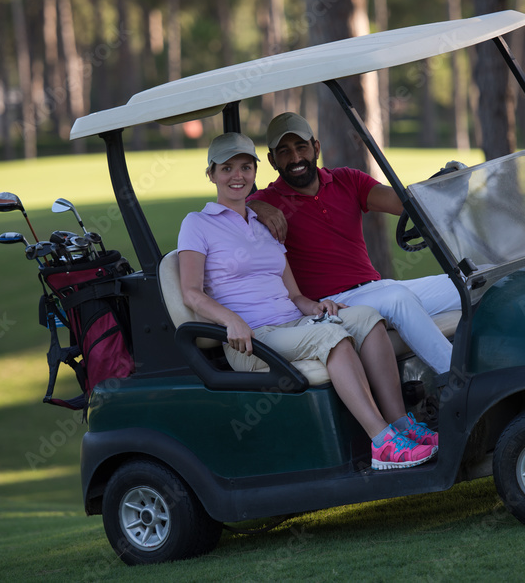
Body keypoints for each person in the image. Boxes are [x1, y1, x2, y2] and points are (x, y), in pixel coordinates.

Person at [177, 131, 438, 470]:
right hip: (253, 338)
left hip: (293, 323)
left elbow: (295, 294)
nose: (237, 176)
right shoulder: (197, 224)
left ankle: (401, 424)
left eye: (245, 167)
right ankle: (382, 442)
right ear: (211, 174)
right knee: (332, 337)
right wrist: (229, 319)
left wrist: (316, 308)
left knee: (366, 318)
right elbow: (191, 292)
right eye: (227, 168)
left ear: (255, 172)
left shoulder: (265, 224)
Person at [247, 112, 460, 379]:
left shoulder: (347, 179)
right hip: (333, 304)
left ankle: (505, 364)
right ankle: (458, 380)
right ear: (272, 160)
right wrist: (253, 204)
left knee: (471, 281)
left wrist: (444, 186)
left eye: (301, 147)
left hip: (376, 288)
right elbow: (231, 217)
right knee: (398, 299)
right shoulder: (266, 201)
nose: (295, 158)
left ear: (316, 148)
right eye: (284, 151)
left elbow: (401, 204)